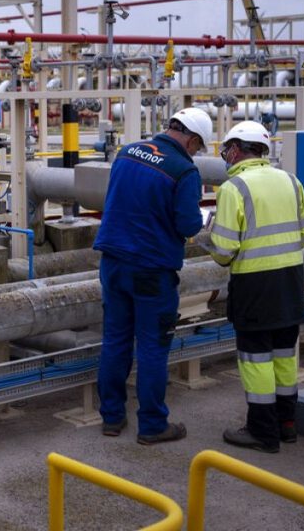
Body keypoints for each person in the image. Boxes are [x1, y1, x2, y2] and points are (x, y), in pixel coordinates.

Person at [93, 107, 212, 444]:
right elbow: (188, 225)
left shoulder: (128, 152)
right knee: (152, 347)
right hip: (152, 270)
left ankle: (112, 418)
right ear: (191, 139)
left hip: (113, 261)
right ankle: (152, 425)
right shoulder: (184, 171)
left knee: (115, 341)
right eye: (197, 147)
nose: (195, 153)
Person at [201, 120, 304, 453]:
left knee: (256, 361)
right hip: (291, 282)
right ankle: (287, 425)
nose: (224, 157)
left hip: (254, 287)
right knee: (284, 356)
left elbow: (224, 252)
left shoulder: (234, 189)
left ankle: (262, 432)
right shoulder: (290, 181)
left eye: (226, 150)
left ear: (236, 149)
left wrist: (205, 238)